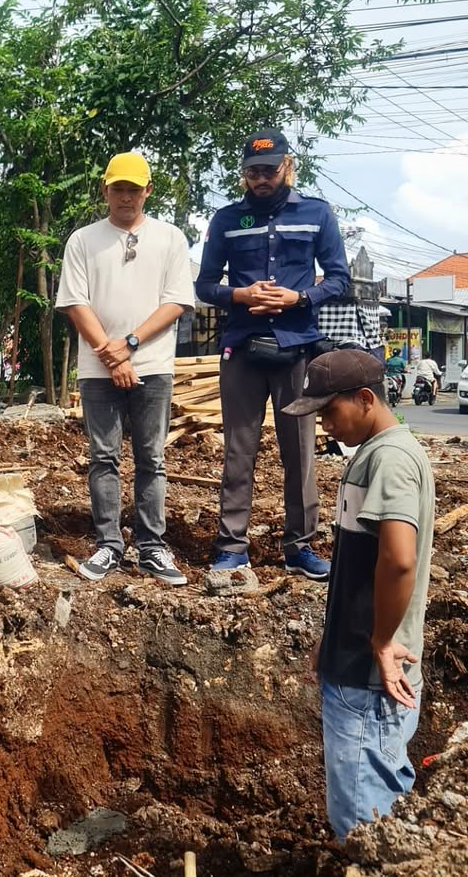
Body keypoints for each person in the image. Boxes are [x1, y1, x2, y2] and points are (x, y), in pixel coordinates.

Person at [281, 350, 433, 841]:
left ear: (366, 399)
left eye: (329, 411)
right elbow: (361, 565)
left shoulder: (389, 460)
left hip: (368, 678)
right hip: (356, 660)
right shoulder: (377, 454)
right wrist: (333, 634)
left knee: (363, 823)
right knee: (378, 806)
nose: (324, 424)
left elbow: (399, 560)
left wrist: (382, 642)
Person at [195, 129, 351, 581]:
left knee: (299, 453)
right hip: (242, 347)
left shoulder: (316, 213)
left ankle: (300, 547)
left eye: (269, 170)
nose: (261, 179)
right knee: (238, 450)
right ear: (244, 174)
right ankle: (231, 547)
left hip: (296, 348)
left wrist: (298, 298)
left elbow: (339, 278)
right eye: (253, 172)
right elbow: (205, 285)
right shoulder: (227, 219)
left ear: (287, 166)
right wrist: (241, 294)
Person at [56, 151, 195, 585]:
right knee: (104, 457)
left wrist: (129, 344)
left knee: (152, 458)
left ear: (148, 191)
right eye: (118, 188)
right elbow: (75, 303)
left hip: (152, 365)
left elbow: (175, 302)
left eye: (134, 189)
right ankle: (109, 545)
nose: (126, 197)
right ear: (106, 190)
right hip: (98, 369)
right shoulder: (83, 241)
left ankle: (152, 546)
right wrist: (110, 354)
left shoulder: (170, 239)